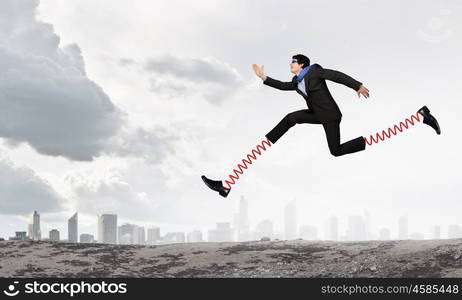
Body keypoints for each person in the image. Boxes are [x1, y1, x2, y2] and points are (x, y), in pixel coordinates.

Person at [202, 54, 440, 198]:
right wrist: (263, 78)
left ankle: (419, 117)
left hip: (330, 116)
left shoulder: (315, 72)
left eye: (292, 63)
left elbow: (336, 75)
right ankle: (228, 184)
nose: (290, 66)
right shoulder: (297, 82)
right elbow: (284, 86)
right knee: (290, 118)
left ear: (301, 63)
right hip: (316, 114)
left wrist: (357, 85)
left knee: (335, 151)